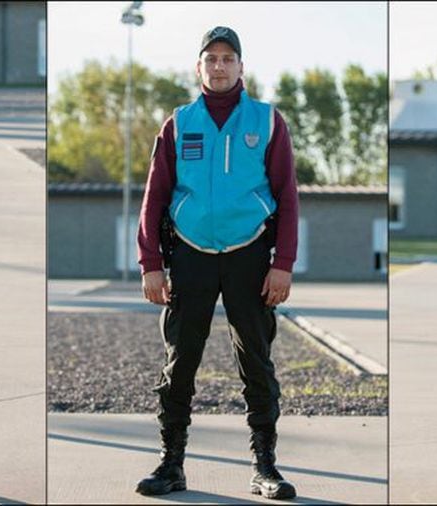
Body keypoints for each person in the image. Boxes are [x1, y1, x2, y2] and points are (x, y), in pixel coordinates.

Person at [134, 26, 300, 500]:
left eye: (229, 58)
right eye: (212, 58)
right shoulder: (178, 122)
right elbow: (154, 196)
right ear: (199, 67)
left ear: (241, 67)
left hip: (251, 255)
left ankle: (265, 467)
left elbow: (287, 195)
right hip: (190, 255)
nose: (221, 65)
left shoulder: (267, 121)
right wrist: (151, 262)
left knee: (257, 362)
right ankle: (171, 465)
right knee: (179, 362)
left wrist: (282, 261)